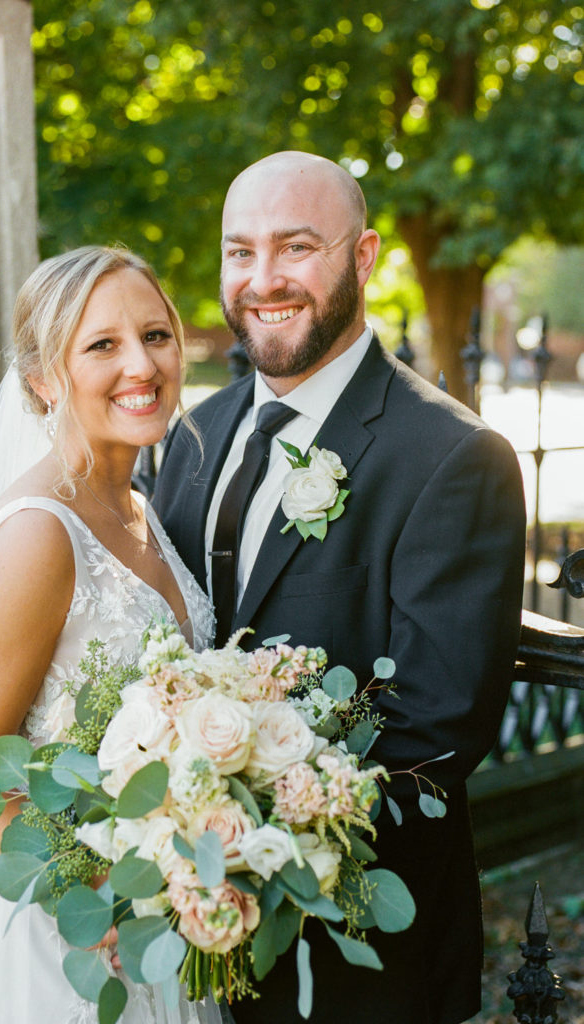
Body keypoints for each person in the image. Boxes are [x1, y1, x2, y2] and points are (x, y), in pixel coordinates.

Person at [152, 152, 527, 1024]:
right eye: (238, 252)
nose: (263, 279)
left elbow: (436, 728)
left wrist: (243, 843)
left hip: (362, 961)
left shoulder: (451, 458)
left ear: (361, 257)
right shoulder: (195, 436)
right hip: (181, 934)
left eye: (295, 247)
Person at [0, 246, 220, 1024]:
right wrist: (93, 900)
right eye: (101, 345)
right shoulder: (39, 535)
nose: (141, 364)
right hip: (51, 941)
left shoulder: (137, 507)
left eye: (156, 335)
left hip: (147, 909)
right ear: (42, 380)